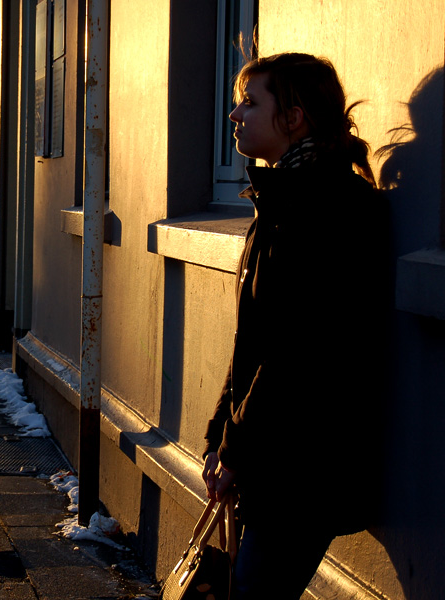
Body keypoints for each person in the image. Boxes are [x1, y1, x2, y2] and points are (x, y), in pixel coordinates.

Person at [202, 53, 389, 600]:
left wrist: (234, 449)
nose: (235, 115)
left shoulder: (328, 207)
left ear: (295, 117)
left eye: (250, 102)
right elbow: (254, 340)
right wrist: (220, 434)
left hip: (304, 466)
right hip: (276, 458)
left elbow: (296, 351)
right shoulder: (283, 198)